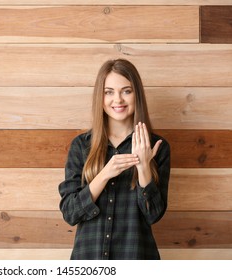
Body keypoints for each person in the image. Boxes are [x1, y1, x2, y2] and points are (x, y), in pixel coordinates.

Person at [58, 58, 171, 260]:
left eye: (126, 91)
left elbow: (153, 214)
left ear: (137, 95)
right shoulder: (81, 146)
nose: (117, 99)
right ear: (100, 97)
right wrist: (104, 175)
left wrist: (144, 166)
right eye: (109, 92)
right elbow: (70, 213)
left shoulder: (157, 147)